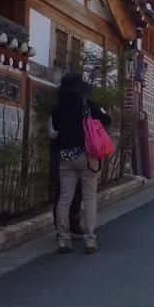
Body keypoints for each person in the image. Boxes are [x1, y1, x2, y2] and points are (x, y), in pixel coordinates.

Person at [50, 72, 111, 255]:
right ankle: (90, 240)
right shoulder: (87, 105)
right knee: (90, 197)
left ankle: (63, 240)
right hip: (87, 155)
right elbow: (106, 120)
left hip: (66, 157)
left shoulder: (57, 108)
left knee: (64, 199)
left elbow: (53, 133)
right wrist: (102, 111)